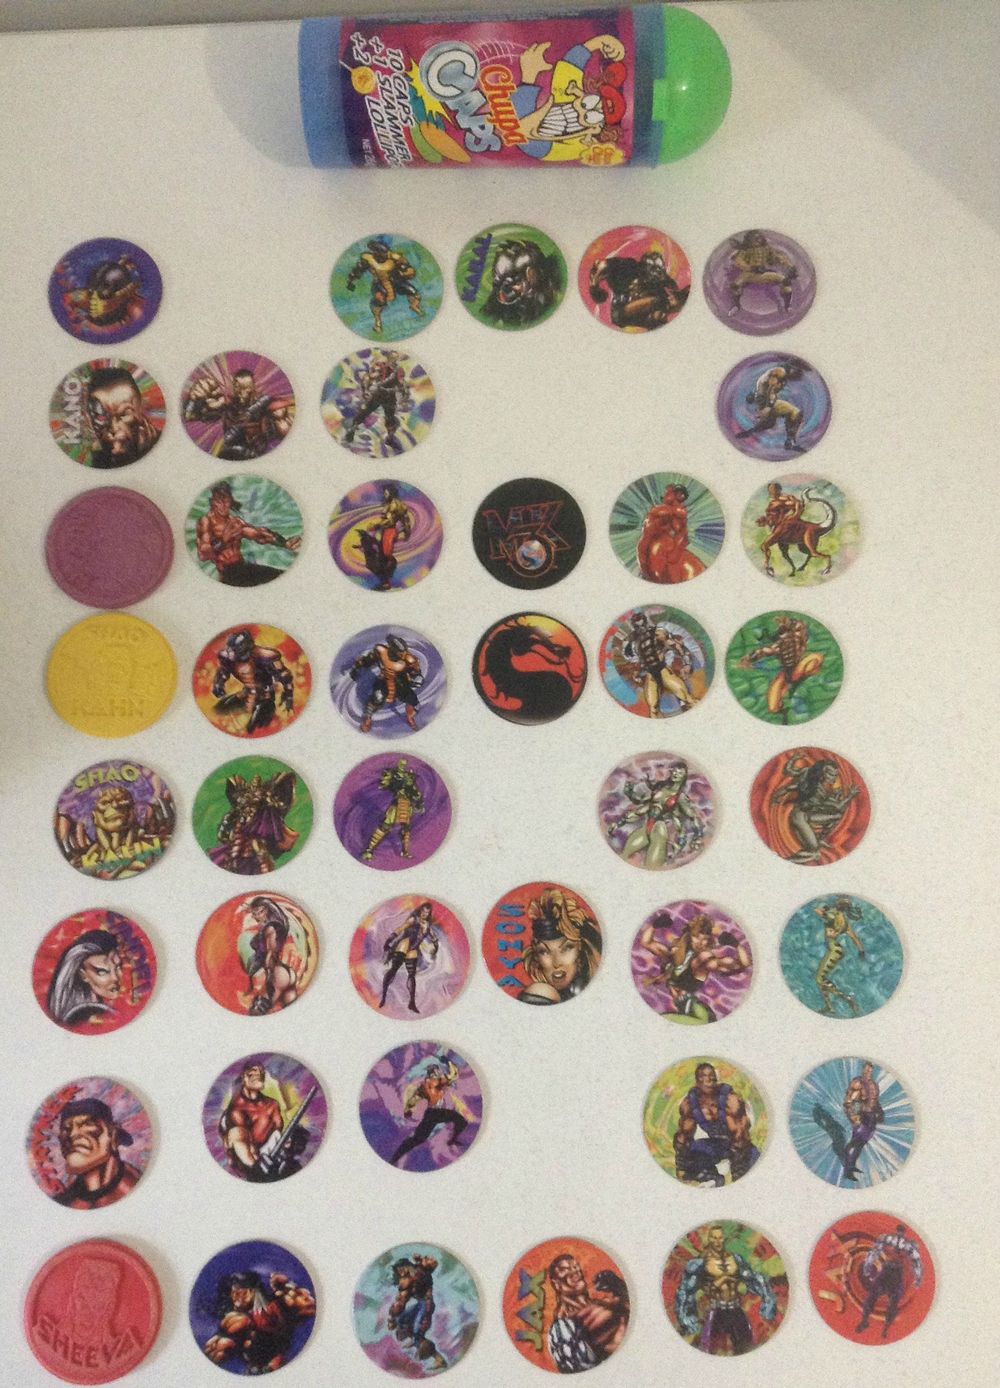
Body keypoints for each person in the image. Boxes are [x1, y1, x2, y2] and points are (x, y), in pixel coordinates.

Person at [675, 1224, 777, 1354]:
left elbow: (754, 1279)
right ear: (709, 1239)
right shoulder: (702, 1262)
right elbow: (686, 1291)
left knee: (746, 1347)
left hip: (736, 1309)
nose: (717, 1241)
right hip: (716, 1311)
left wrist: (767, 1299)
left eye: (720, 1238)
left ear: (724, 1239)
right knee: (709, 1350)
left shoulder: (735, 1259)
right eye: (714, 1238)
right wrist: (686, 1318)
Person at [639, 911, 750, 1023]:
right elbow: (646, 942)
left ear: (709, 940)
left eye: (704, 939)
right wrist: (655, 925)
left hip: (696, 1011)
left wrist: (737, 945)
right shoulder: (674, 953)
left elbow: (744, 964)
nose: (700, 942)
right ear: (688, 936)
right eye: (696, 937)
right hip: (684, 1011)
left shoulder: (703, 960)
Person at [203, 1269, 315, 1373]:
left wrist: (286, 1286)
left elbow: (307, 1304)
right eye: (233, 1292)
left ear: (252, 1291)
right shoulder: (236, 1321)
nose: (235, 1296)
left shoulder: (279, 1303)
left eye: (241, 1291)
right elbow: (215, 1353)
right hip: (259, 1369)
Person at [195, 480, 300, 587]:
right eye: (219, 501)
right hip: (227, 574)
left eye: (226, 501)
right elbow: (203, 554)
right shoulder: (206, 522)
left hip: (242, 568)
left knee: (280, 575)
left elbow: (260, 534)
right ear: (212, 502)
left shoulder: (236, 522)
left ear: (230, 501)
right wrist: (224, 540)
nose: (223, 505)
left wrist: (284, 542)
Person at [673, 1063, 759, 1185]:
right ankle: (714, 1179)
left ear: (715, 1078)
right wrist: (682, 1165)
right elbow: (683, 1136)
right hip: (718, 1144)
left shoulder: (731, 1101)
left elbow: (741, 1136)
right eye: (703, 1077)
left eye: (711, 1076)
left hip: (741, 1147)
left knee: (753, 1170)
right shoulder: (690, 1104)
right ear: (697, 1081)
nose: (708, 1080)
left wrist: (738, 1171)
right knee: (692, 1155)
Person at [184, 366, 293, 460]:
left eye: (246, 389)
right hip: (231, 454)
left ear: (252, 387)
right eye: (238, 388)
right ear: (234, 386)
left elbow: (281, 422)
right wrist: (194, 400)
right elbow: (189, 416)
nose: (242, 393)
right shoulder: (227, 404)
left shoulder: (265, 405)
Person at [547, 1253, 630, 1372]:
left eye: (575, 1266)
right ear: (556, 1283)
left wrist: (622, 1293)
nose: (575, 1271)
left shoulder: (606, 1302)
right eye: (565, 1269)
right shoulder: (562, 1326)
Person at [53, 1098, 142, 1209]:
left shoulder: (139, 1189)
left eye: (87, 1124)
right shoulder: (63, 1202)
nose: (72, 1134)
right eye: (66, 1129)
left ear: (113, 1136)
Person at [518, 887, 601, 1005]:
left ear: (580, 948)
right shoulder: (540, 993)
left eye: (567, 948)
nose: (556, 963)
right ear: (536, 956)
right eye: (544, 951)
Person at [776, 754, 859, 863]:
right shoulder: (815, 786)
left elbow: (789, 770)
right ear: (822, 773)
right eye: (831, 774)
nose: (834, 778)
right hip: (799, 818)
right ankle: (787, 862)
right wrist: (850, 796)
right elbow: (838, 806)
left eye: (835, 775)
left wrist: (793, 759)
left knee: (837, 816)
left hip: (808, 816)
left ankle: (819, 838)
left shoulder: (820, 785)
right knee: (814, 852)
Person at [737, 614, 824, 719]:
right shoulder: (779, 646)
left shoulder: (800, 639)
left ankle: (802, 678)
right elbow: (763, 651)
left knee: (816, 657)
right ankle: (784, 707)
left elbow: (800, 633)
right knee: (773, 707)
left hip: (799, 668)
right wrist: (748, 659)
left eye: (800, 629)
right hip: (786, 673)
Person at [211, 628, 295, 735]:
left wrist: (288, 695)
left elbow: (284, 676)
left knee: (252, 728)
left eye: (235, 651)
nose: (231, 654)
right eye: (230, 650)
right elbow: (224, 670)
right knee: (220, 708)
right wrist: (219, 683)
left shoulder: (265, 656)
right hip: (246, 694)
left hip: (265, 698)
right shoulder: (227, 656)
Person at [389, 1059, 470, 1167]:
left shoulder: (424, 1085)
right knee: (461, 1121)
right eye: (437, 1071)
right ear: (434, 1073)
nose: (440, 1072)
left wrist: (408, 1110)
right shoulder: (437, 1081)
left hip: (433, 1113)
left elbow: (414, 1099)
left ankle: (452, 1140)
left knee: (417, 1139)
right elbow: (453, 1075)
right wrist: (448, 1062)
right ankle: (452, 1140)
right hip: (435, 1113)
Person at [619, 610, 696, 716]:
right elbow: (638, 660)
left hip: (663, 670)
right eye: (638, 626)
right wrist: (637, 673)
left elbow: (677, 647)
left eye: (642, 625)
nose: (641, 629)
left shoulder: (658, 633)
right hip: (650, 674)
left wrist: (687, 664)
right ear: (634, 627)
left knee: (687, 698)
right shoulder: (633, 642)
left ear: (646, 622)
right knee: (653, 709)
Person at [46, 928, 127, 1027]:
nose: (115, 977)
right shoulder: (82, 1019)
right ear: (83, 975)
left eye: (118, 967)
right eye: (102, 972)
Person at [240, 896, 305, 1015]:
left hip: (277, 973)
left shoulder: (270, 928)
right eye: (253, 914)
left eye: (258, 913)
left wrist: (270, 975)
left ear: (265, 911)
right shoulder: (277, 926)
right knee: (293, 1013)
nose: (255, 916)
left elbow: (271, 952)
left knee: (257, 1012)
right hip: (288, 973)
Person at [84, 365, 159, 468]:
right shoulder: (94, 461)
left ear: (142, 408)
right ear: (89, 419)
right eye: (101, 417)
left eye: (124, 414)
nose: (114, 428)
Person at [855, 1225, 923, 1337]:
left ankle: (886, 1328)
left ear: (903, 1233)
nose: (899, 1234)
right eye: (899, 1232)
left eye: (901, 1232)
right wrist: (868, 1265)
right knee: (873, 1295)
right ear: (897, 1231)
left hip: (897, 1274)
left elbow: (916, 1261)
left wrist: (918, 1277)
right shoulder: (887, 1239)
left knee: (893, 1302)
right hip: (886, 1271)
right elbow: (875, 1251)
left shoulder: (909, 1245)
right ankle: (865, 1320)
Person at [348, 632, 424, 733]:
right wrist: (357, 667)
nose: (403, 655)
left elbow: (416, 674)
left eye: (404, 652)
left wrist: (415, 677)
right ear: (392, 649)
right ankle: (368, 718)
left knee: (414, 702)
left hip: (401, 684)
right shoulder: (381, 652)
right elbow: (367, 660)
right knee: (377, 698)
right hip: (384, 682)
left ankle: (410, 718)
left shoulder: (409, 660)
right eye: (400, 653)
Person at [219, 1062, 283, 1180]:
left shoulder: (272, 1104)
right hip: (248, 1166)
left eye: (261, 1071)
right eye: (254, 1071)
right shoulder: (236, 1110)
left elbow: (278, 1134)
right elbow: (242, 1143)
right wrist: (256, 1166)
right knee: (237, 1133)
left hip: (272, 1155)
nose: (259, 1073)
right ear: (244, 1077)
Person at [346, 239, 424, 335]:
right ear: (375, 252)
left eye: (384, 253)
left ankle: (414, 306)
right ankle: (377, 321)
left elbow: (407, 268)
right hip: (379, 282)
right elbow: (357, 270)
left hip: (396, 280)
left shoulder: (394, 258)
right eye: (380, 253)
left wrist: (405, 272)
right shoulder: (368, 260)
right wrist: (351, 281)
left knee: (413, 292)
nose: (383, 255)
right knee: (379, 299)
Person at [387, 1254, 446, 1372]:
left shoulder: (416, 1275)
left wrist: (392, 1317)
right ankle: (415, 1340)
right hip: (421, 1303)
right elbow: (401, 1300)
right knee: (402, 1320)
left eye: (401, 1270)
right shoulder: (415, 1273)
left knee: (418, 1333)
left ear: (405, 1267)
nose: (401, 1273)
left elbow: (401, 1301)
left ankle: (440, 1360)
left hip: (426, 1304)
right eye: (399, 1272)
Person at [635, 483, 705, 584]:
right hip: (648, 547)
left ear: (679, 496)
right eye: (666, 492)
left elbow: (682, 533)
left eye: (668, 492)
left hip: (660, 548)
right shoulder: (667, 510)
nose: (664, 495)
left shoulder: (675, 512)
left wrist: (676, 550)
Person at [379, 902, 440, 1013]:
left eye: (427, 912)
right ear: (420, 910)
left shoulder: (427, 926)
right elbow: (400, 928)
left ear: (429, 914)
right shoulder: (414, 919)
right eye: (423, 911)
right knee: (394, 969)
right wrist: (389, 940)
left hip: (413, 948)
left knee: (411, 975)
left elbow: (434, 938)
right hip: (405, 943)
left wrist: (435, 948)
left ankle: (412, 1003)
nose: (424, 914)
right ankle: (383, 996)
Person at [735, 359, 807, 450]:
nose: (798, 375)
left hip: (764, 400)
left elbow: (763, 385)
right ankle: (790, 442)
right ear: (793, 368)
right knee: (795, 413)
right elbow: (770, 389)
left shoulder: (780, 374)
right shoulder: (780, 372)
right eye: (798, 371)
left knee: (770, 423)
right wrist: (768, 407)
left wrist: (753, 395)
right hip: (766, 401)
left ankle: (749, 432)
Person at [354, 482, 414, 591]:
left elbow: (392, 521)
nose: (385, 495)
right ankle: (385, 581)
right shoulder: (390, 504)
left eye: (386, 493)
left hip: (389, 532)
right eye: (385, 493)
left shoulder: (395, 505)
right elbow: (404, 520)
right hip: (384, 531)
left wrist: (376, 525)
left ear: (391, 493)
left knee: (384, 556)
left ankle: (386, 580)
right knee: (380, 556)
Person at [361, 758, 424, 861]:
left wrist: (418, 802)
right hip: (397, 804)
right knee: (386, 825)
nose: (402, 766)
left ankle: (405, 852)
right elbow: (384, 785)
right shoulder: (393, 775)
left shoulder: (409, 777)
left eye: (404, 764)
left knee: (405, 828)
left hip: (406, 805)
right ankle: (369, 850)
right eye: (401, 764)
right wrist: (391, 780)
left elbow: (415, 792)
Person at [813, 896, 865, 1016]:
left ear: (837, 905)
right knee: (821, 980)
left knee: (819, 979)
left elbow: (817, 911)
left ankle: (847, 999)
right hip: (837, 951)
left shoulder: (832, 915)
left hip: (833, 950)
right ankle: (829, 1007)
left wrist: (826, 908)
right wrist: (861, 951)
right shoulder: (845, 923)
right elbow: (855, 939)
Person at [727, 230, 797, 314]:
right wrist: (750, 267)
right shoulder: (746, 250)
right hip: (750, 274)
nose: (757, 240)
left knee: (786, 282)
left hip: (765, 273)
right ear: (749, 239)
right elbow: (738, 260)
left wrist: (790, 266)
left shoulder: (767, 249)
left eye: (759, 238)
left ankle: (787, 306)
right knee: (735, 285)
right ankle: (736, 305)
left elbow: (779, 257)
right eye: (754, 238)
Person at [842, 1062, 883, 1181]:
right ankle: (847, 1170)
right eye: (866, 1070)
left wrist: (880, 1112)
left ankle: (852, 1165)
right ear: (862, 1070)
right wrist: (853, 1118)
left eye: (870, 1071)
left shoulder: (873, 1084)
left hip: (871, 1117)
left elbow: (875, 1101)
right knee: (855, 1142)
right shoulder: (857, 1083)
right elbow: (849, 1102)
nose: (868, 1073)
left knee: (862, 1143)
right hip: (861, 1116)